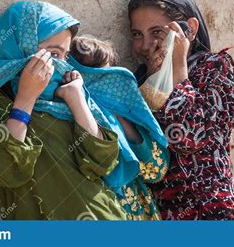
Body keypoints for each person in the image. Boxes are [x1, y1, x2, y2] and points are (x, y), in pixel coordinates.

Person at [0, 1, 127, 220]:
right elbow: (4, 170)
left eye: (65, 57)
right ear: (21, 46)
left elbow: (102, 162)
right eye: (53, 54)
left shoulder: (62, 94)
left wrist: (76, 99)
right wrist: (25, 98)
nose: (62, 65)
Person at [127, 0, 234, 220]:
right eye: (136, 34)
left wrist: (177, 67)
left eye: (157, 32)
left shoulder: (215, 69)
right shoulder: (135, 84)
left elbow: (188, 135)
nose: (145, 45)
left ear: (189, 30)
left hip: (212, 214)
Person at [70, 36, 169, 220]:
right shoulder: (68, 116)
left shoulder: (126, 118)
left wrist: (121, 119)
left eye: (111, 77)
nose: (113, 86)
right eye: (101, 79)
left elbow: (156, 169)